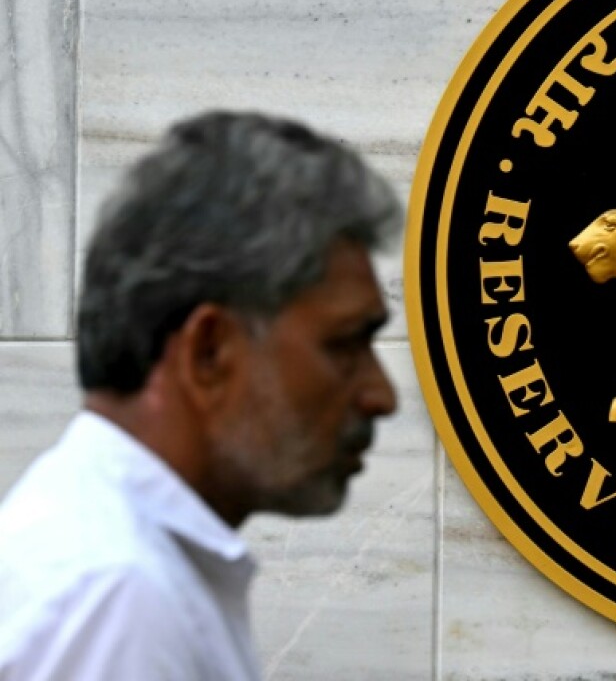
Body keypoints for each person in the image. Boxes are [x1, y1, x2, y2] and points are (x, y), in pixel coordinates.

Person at [0, 112, 403, 678]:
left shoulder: (116, 561)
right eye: (344, 346)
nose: (382, 396)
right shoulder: (117, 597)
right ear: (209, 352)